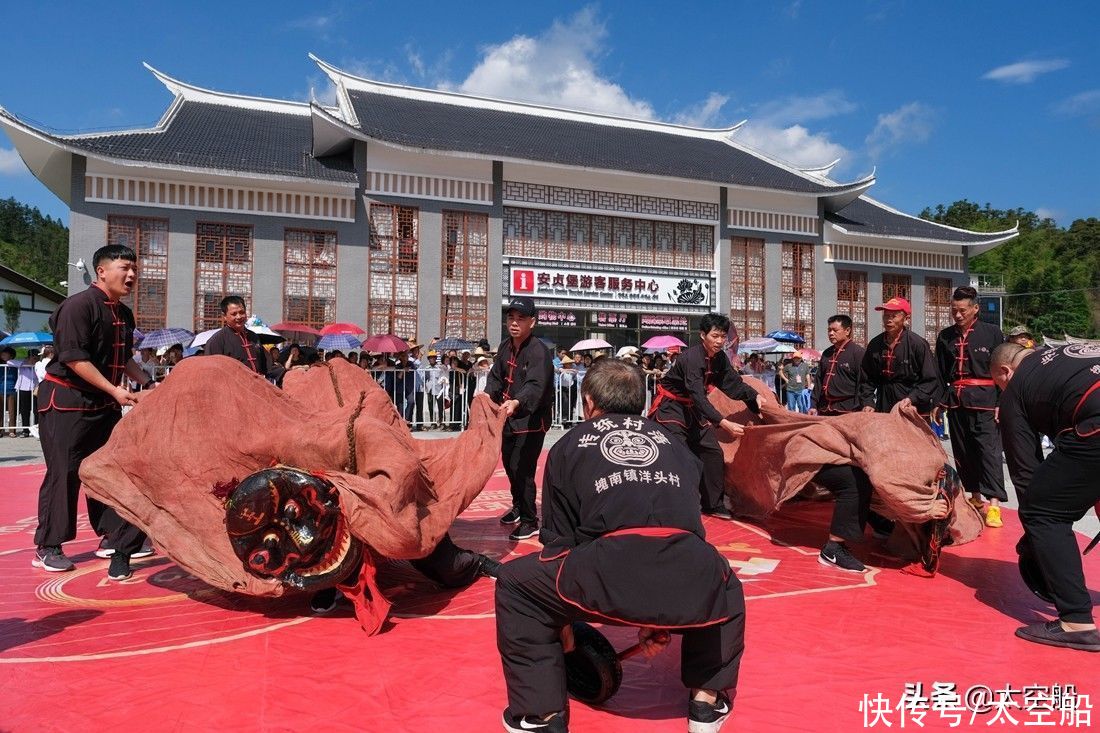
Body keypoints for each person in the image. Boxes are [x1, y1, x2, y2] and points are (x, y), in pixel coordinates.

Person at [495, 359, 745, 733]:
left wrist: (564, 635)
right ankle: (705, 704)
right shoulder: (676, 448)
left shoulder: (568, 447)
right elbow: (688, 530)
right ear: (640, 403)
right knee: (722, 583)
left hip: (610, 572)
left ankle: (544, 715)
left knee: (517, 584)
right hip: (685, 571)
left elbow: (559, 545)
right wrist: (658, 612)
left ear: (588, 402)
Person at [32, 244, 151, 579]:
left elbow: (123, 358)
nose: (131, 276)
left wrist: (148, 384)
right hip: (67, 401)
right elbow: (74, 357)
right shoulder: (77, 306)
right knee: (66, 472)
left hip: (103, 404)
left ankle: (113, 537)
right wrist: (115, 390)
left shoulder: (124, 314)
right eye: (124, 268)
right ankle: (48, 545)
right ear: (101, 271)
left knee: (108, 471)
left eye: (134, 270)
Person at [991, 342, 1100, 652]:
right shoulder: (1063, 354)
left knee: (1043, 511)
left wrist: (1037, 535)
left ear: (1005, 372)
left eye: (1000, 386)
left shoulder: (1016, 387)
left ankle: (1076, 623)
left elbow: (1026, 473)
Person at [650, 313, 759, 520]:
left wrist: (755, 398)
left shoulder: (720, 359)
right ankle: (674, 505)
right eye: (715, 336)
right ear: (703, 335)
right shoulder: (691, 358)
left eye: (723, 337)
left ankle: (713, 504)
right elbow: (698, 396)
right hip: (672, 407)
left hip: (694, 409)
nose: (719, 341)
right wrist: (723, 422)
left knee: (712, 452)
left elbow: (733, 384)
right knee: (679, 454)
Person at [933, 286, 1007, 528]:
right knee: (963, 451)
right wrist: (940, 402)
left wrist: (1001, 402)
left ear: (975, 309)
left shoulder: (992, 333)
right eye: (954, 310)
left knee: (989, 452)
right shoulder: (945, 337)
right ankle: (974, 497)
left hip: (986, 402)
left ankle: (994, 503)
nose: (957, 315)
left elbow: (1003, 371)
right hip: (957, 401)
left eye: (962, 310)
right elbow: (940, 375)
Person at [486, 296, 554, 541]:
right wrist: (486, 396)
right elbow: (496, 376)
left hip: (531, 421)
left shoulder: (539, 352)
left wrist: (517, 401)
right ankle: (517, 506)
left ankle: (529, 520)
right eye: (511, 318)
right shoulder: (506, 346)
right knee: (509, 465)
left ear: (532, 322)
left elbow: (536, 385)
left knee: (522, 469)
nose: (514, 323)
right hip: (508, 417)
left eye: (521, 318)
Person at [860, 297, 941, 414]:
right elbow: (867, 378)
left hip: (912, 404)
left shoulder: (918, 344)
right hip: (884, 403)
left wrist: (912, 398)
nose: (888, 320)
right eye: (886, 316)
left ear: (906, 319)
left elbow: (930, 379)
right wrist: (868, 401)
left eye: (893, 316)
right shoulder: (875, 344)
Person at [203, 296, 286, 385]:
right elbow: (211, 373)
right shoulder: (216, 341)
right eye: (234, 314)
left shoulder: (253, 337)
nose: (239, 317)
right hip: (233, 391)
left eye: (242, 312)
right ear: (225, 316)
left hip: (257, 389)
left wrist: (286, 373)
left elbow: (267, 366)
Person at [810, 315, 871, 416]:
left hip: (848, 410)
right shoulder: (826, 353)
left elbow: (864, 382)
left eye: (835, 330)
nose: (831, 333)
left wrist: (864, 404)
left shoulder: (858, 353)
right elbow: (818, 380)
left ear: (847, 331)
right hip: (824, 409)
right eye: (829, 330)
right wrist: (813, 404)